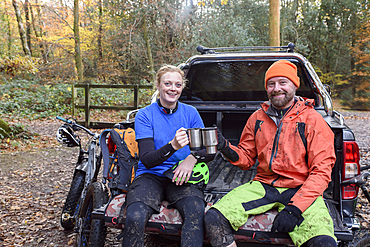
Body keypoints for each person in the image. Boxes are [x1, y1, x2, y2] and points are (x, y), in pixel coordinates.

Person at [204, 60, 337, 247]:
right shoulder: (257, 118)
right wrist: (225, 146)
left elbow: (321, 172)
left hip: (301, 188)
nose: (276, 89)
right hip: (264, 185)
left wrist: (295, 209)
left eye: (283, 82)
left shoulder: (312, 120)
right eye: (271, 84)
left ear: (294, 85)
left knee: (324, 242)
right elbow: (245, 159)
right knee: (213, 218)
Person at [122, 65, 213, 247]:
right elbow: (147, 159)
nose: (173, 89)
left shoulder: (190, 113)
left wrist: (190, 159)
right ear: (158, 85)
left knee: (196, 210)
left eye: (178, 85)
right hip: (151, 175)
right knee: (135, 215)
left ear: (182, 87)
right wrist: (173, 146)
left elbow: (209, 149)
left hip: (180, 175)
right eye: (168, 83)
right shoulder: (145, 115)